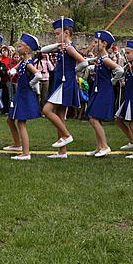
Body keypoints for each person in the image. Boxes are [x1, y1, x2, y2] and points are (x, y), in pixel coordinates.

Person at [41, 17, 86, 159]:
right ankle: (62, 152)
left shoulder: (69, 48)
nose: (55, 36)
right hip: (60, 83)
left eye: (57, 33)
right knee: (60, 116)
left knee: (47, 110)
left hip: (65, 83)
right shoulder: (62, 48)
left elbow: (83, 63)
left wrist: (73, 72)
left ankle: (66, 135)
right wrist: (57, 46)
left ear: (66, 33)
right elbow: (43, 50)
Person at [83, 30, 123, 158]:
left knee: (94, 118)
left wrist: (113, 81)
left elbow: (119, 70)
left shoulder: (106, 59)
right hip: (97, 89)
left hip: (104, 90)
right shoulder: (100, 59)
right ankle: (99, 147)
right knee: (93, 118)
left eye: (96, 42)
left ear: (104, 43)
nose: (94, 44)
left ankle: (105, 146)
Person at [3, 33, 43, 160]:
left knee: (21, 122)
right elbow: (17, 67)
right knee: (10, 119)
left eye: (20, 46)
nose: (17, 47)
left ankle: (26, 153)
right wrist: (12, 70)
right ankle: (17, 144)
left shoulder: (28, 64)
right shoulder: (23, 62)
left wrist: (30, 84)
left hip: (25, 95)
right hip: (20, 94)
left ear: (27, 49)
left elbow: (38, 75)